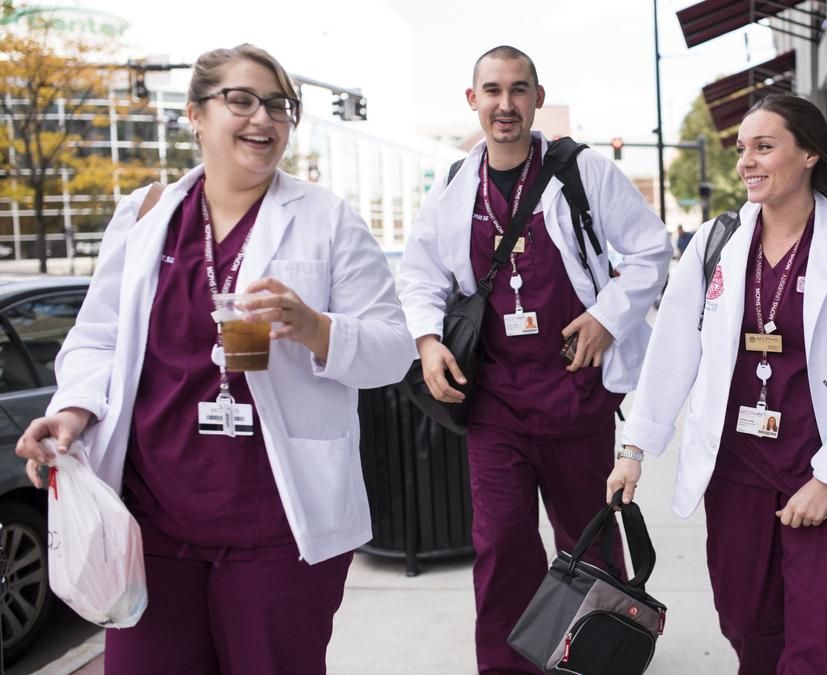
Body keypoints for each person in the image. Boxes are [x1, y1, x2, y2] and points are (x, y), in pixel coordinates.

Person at [15, 44, 415, 674]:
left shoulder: (327, 220)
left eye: (281, 105)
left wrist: (315, 328)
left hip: (279, 530)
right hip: (152, 527)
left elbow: (392, 351)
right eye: (242, 100)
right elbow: (97, 337)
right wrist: (71, 412)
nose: (265, 118)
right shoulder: (146, 215)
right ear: (196, 115)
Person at [395, 45, 671, 674]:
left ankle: (596, 660)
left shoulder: (583, 172)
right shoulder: (452, 186)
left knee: (590, 543)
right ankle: (506, 667)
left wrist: (607, 315)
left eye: (519, 90)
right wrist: (427, 339)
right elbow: (420, 277)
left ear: (537, 99)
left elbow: (650, 251)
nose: (505, 104)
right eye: (492, 90)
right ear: (473, 100)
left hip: (577, 396)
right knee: (501, 547)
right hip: (496, 404)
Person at [610, 94, 827, 674]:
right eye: (743, 148)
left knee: (815, 642)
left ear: (810, 154)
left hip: (823, 477)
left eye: (764, 147)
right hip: (737, 471)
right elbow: (672, 349)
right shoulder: (718, 243)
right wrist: (634, 449)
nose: (747, 161)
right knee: (744, 624)